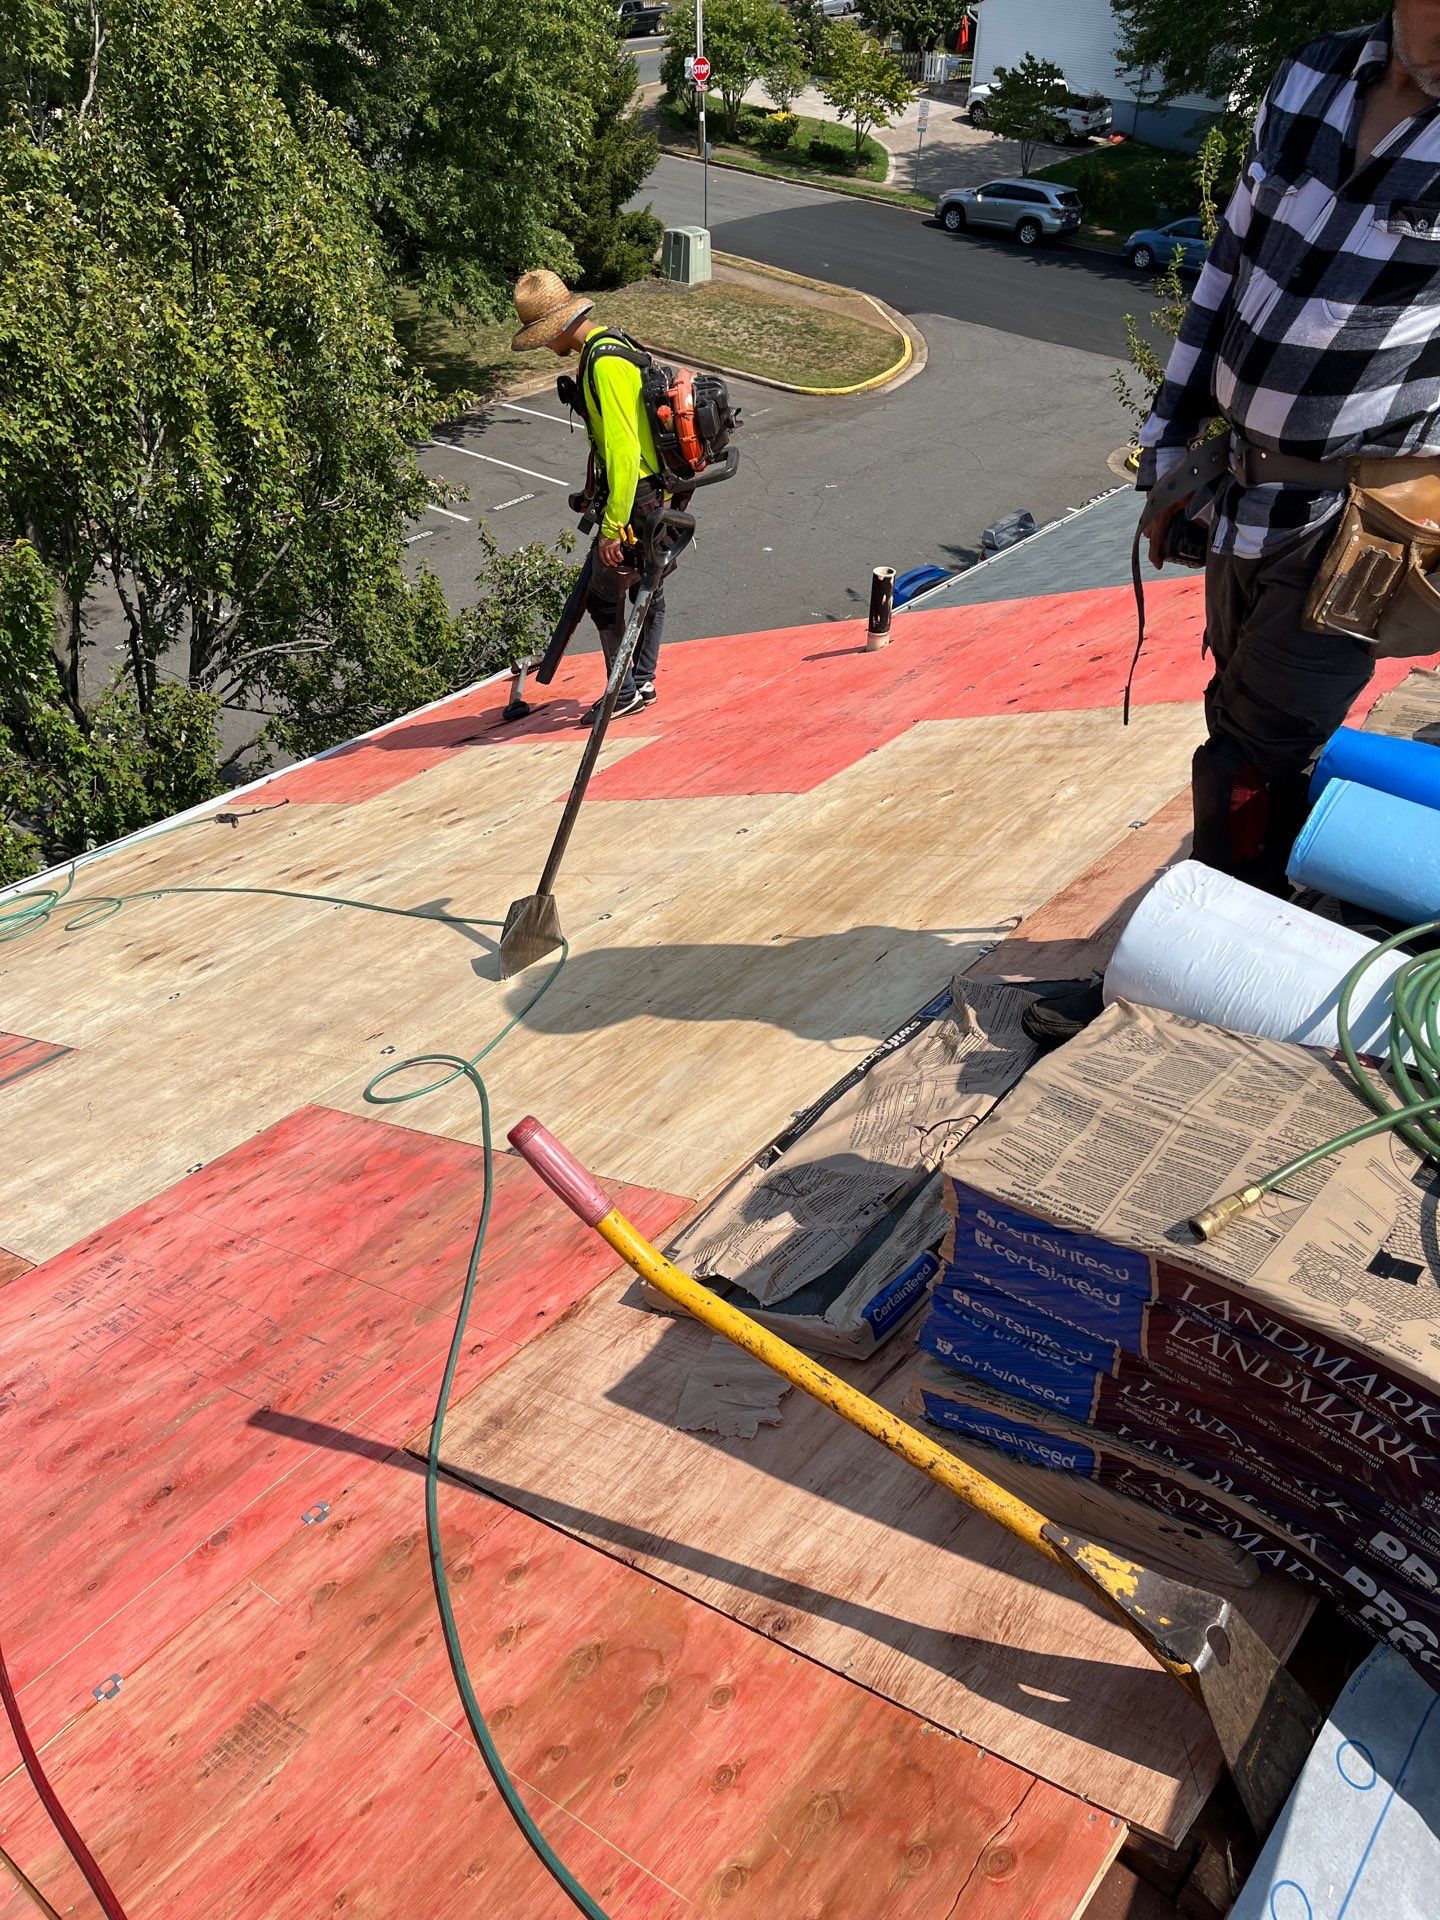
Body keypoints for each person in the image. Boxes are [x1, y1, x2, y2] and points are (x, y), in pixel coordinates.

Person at [1025, 5, 1440, 1047]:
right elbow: (1226, 265)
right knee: (1238, 723)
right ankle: (1239, 961)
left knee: (1255, 752)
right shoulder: (1311, 77)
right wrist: (1170, 438)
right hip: (1247, 491)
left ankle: (1180, 987)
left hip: (1365, 522)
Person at [511, 269, 668, 720]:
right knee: (647, 587)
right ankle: (642, 682)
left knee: (605, 594)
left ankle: (623, 691)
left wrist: (615, 525)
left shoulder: (602, 363)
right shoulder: (617, 344)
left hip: (634, 494)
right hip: (650, 488)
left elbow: (623, 449)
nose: (544, 345)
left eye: (543, 335)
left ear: (560, 324)